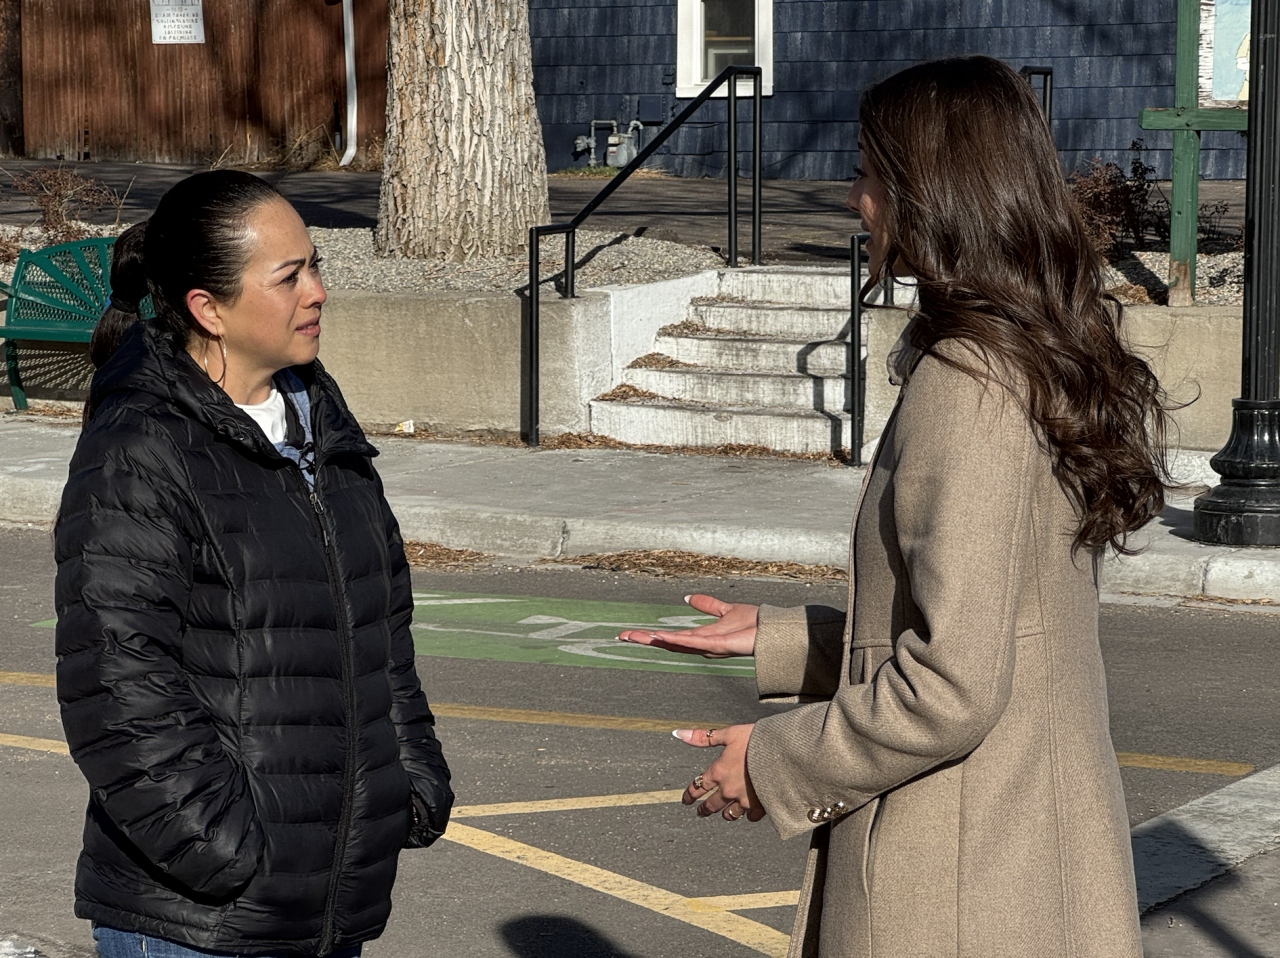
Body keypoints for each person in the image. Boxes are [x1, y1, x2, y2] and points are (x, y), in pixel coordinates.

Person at [619, 56, 1170, 958]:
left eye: (869, 174)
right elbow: (1002, 631)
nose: (854, 200)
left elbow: (953, 686)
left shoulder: (972, 389)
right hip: (1022, 866)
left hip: (960, 887)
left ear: (934, 194)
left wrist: (772, 760)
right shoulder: (1035, 354)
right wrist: (788, 637)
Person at [55, 170, 453, 958]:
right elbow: (117, 681)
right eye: (289, 275)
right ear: (208, 309)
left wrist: (411, 779)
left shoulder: (320, 425)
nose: (318, 293)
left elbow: (379, 635)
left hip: (324, 906)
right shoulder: (143, 445)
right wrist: (222, 846)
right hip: (199, 920)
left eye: (316, 266)